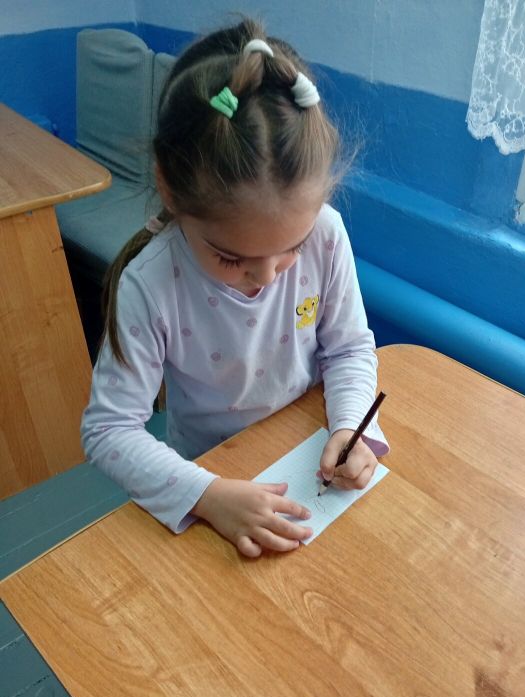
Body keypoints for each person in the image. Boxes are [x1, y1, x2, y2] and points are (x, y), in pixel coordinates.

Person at [82, 17, 389, 557]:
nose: (269, 276)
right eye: (231, 257)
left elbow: (348, 349)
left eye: (292, 247)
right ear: (168, 189)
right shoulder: (151, 284)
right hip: (209, 483)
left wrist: (350, 427)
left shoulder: (326, 235)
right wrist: (206, 495)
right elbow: (109, 430)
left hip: (303, 455)